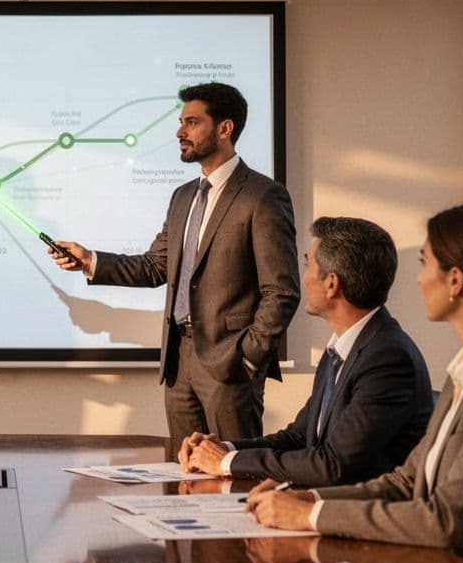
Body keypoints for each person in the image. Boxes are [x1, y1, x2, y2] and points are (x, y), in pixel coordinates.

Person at [246, 202, 463, 563]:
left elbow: (443, 519)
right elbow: (405, 482)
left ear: (455, 281)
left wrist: (308, 516)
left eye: (424, 263)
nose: (419, 280)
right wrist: (311, 499)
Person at [50, 82, 299, 449]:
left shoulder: (262, 195)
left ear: (224, 128)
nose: (180, 132)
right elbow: (156, 267)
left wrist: (248, 358)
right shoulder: (183, 196)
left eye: (192, 122)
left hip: (229, 365)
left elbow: (281, 291)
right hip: (178, 362)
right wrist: (91, 261)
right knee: (184, 475)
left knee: (233, 478)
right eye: (181, 122)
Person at [177, 217, 433, 486]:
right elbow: (298, 438)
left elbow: (333, 465)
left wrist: (224, 463)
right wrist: (225, 449)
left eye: (307, 264)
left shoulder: (388, 359)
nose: (303, 277)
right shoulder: (343, 349)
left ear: (331, 284)